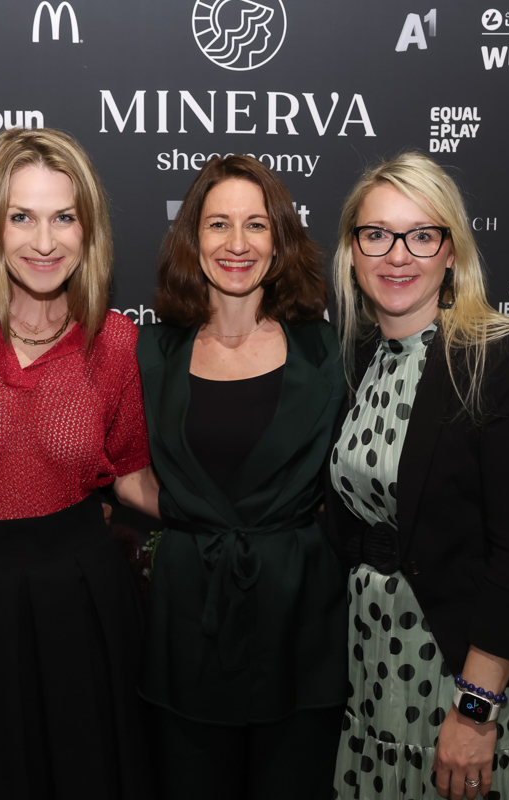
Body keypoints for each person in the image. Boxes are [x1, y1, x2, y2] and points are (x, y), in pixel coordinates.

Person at [0, 127, 159, 800]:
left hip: (84, 593)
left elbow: (131, 473)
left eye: (63, 218)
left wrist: (245, 516)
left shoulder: (114, 340)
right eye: (21, 217)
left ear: (89, 229)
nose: (44, 242)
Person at [325, 152, 509, 800]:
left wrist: (476, 711)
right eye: (376, 234)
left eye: (421, 236)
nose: (396, 255)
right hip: (372, 663)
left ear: (452, 251)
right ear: (352, 252)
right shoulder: (357, 358)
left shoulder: (508, 360)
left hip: (465, 674)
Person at [137, 154, 347, 800]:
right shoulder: (151, 351)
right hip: (187, 615)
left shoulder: (327, 349)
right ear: (191, 237)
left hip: (299, 618)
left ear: (279, 239)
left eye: (256, 225)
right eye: (218, 224)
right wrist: (181, 511)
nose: (237, 244)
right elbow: (117, 465)